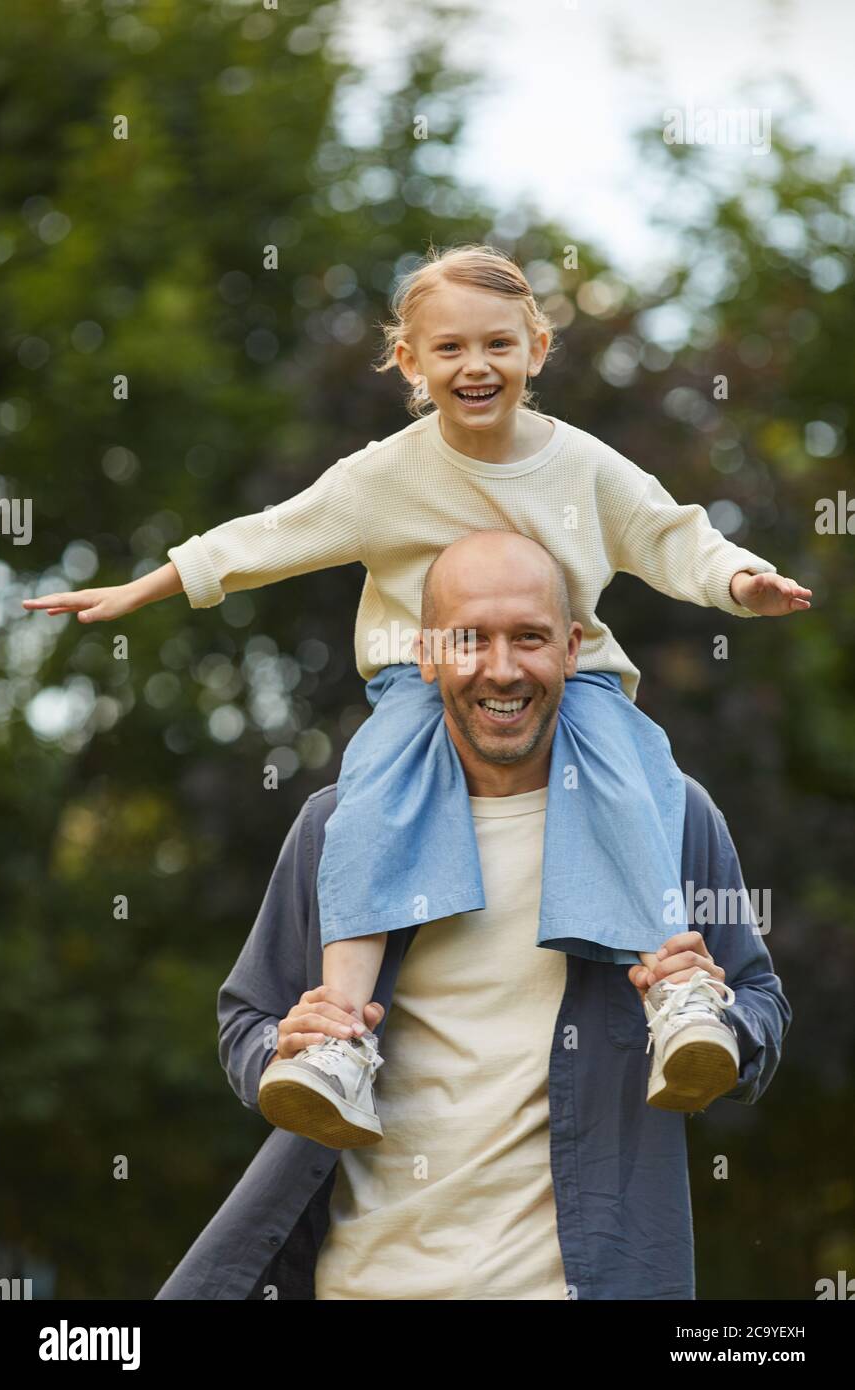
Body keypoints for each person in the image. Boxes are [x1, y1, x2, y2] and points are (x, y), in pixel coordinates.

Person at [22, 243, 810, 1138]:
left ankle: (676, 999)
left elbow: (673, 535)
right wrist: (145, 586)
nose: (476, 367)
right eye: (450, 350)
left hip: (569, 667)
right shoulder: (383, 476)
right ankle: (340, 1040)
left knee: (637, 768)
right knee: (376, 792)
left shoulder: (583, 466)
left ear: (537, 349)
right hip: (417, 670)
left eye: (498, 346)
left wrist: (740, 582)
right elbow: (268, 537)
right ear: (410, 361)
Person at [154, 531, 791, 1301]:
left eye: (529, 638)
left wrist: (717, 1011)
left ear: (571, 650)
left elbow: (762, 1005)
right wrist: (281, 1047)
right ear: (425, 655)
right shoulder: (340, 828)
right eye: (470, 640)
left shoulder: (669, 817)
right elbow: (245, 1018)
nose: (501, 669)